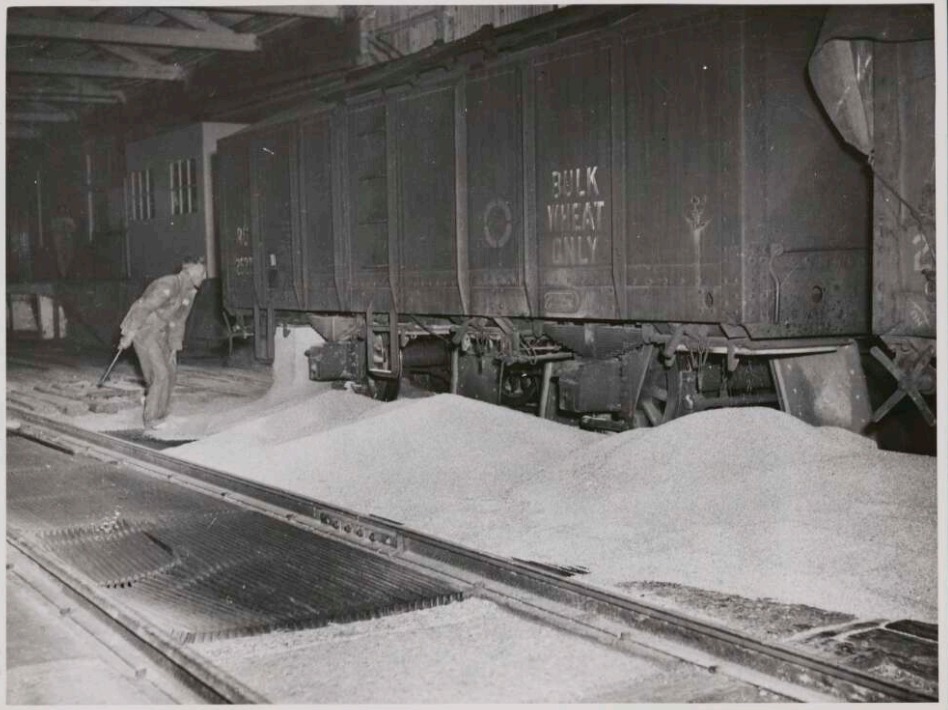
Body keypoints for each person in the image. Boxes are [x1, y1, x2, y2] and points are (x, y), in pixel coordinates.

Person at [119, 258, 207, 431]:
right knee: (161, 374)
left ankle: (160, 411)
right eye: (203, 274)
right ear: (192, 274)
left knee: (170, 372)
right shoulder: (169, 284)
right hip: (144, 331)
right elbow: (142, 307)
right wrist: (128, 334)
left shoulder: (189, 293)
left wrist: (174, 347)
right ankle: (152, 418)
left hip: (162, 333)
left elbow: (179, 320)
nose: (204, 277)